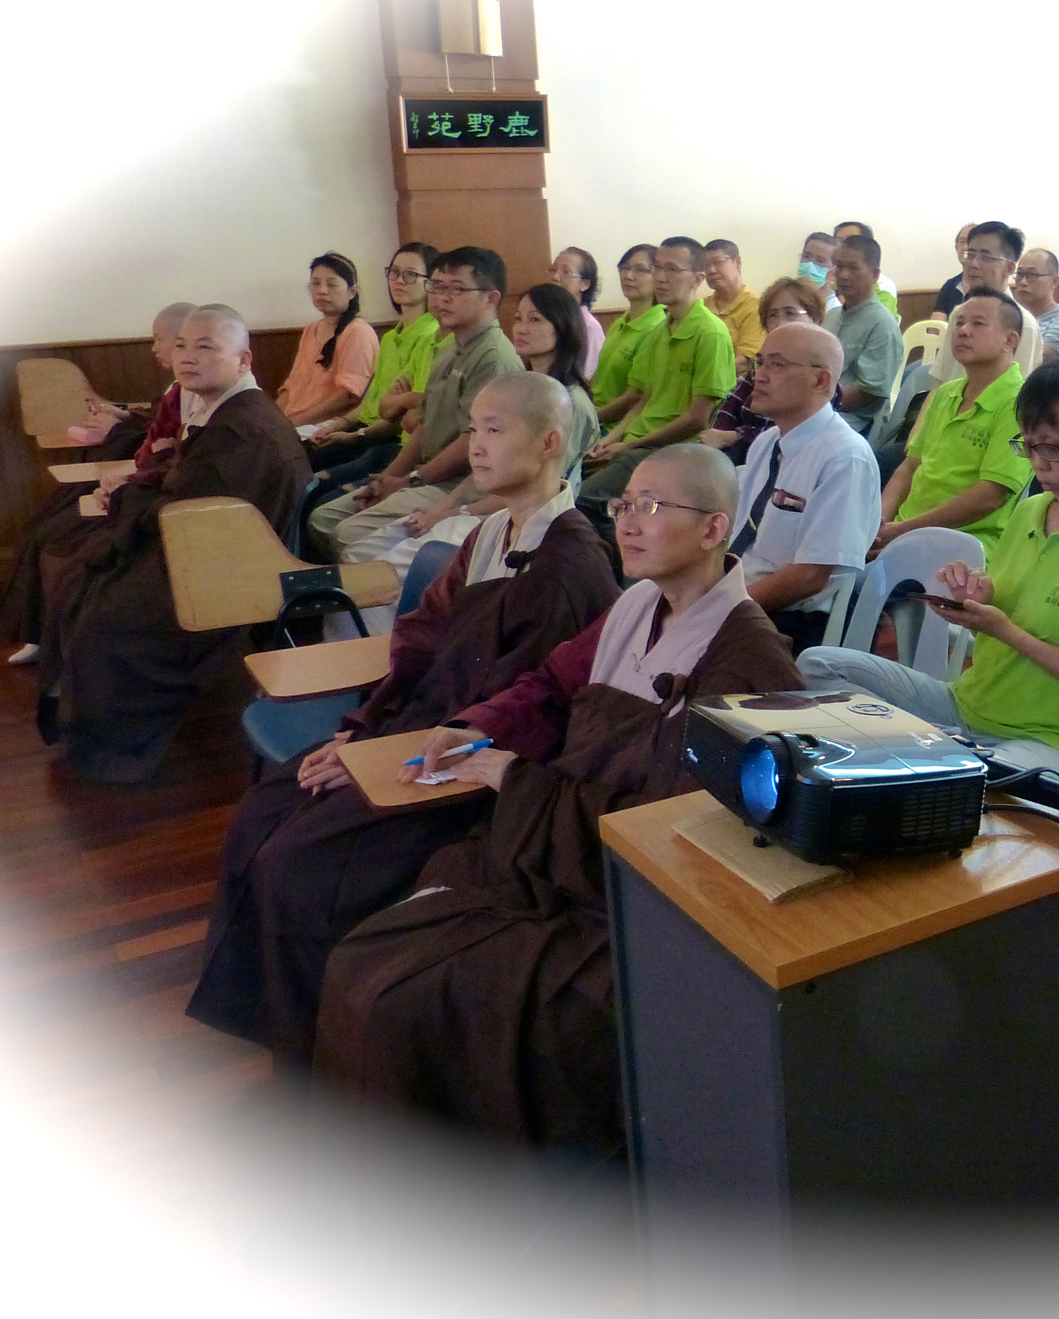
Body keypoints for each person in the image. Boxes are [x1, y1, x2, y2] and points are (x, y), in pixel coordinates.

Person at [314, 445, 803, 1153]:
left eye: (652, 507)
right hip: (548, 851)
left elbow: (684, 839)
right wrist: (475, 729)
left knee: (399, 999)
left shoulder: (752, 663)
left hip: (618, 906)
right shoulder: (634, 605)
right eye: (624, 504)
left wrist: (518, 782)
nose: (627, 522)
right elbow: (547, 687)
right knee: (366, 957)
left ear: (713, 529)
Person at [185, 372, 620, 1063]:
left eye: (495, 429)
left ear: (549, 443)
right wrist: (362, 727)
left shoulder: (572, 564)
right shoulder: (488, 533)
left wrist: (381, 756)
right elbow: (418, 642)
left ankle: (319, 1044)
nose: (475, 445)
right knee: (267, 810)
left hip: (464, 772)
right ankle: (269, 1010)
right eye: (472, 428)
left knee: (302, 865)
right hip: (412, 729)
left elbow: (529, 715)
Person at [802, 358, 1059, 779]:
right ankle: (925, 763)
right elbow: (1012, 599)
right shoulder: (1033, 510)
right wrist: (979, 595)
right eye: (1028, 446)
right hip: (964, 708)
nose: (1038, 463)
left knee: (984, 780)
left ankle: (931, 766)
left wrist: (1006, 631)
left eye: (1051, 448)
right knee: (819, 664)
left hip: (1049, 739)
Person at [37, 305, 310, 782]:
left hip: (221, 565)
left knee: (105, 612)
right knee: (84, 576)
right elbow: (187, 485)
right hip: (202, 545)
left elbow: (192, 508)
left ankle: (115, 753)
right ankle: (86, 728)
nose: (187, 357)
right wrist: (133, 490)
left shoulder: (243, 429)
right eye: (181, 345)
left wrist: (127, 499)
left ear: (243, 360)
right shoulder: (228, 413)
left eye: (205, 347)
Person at [340, 284, 601, 566]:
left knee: (377, 565)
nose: (521, 328)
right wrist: (442, 509)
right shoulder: (512, 390)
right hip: (472, 504)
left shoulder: (569, 403)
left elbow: (536, 490)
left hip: (507, 517)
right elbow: (480, 465)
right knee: (357, 549)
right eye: (518, 318)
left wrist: (452, 514)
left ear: (564, 328)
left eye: (535, 319)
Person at [3, 303, 195, 667]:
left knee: (61, 540)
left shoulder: (210, 402)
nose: (155, 348)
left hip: (152, 498)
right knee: (42, 529)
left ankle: (53, 642)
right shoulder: (179, 389)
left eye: (161, 339)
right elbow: (156, 428)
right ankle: (38, 634)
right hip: (137, 483)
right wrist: (120, 417)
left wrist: (120, 436)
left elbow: (168, 450)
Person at [309, 247, 523, 560]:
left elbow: (471, 440)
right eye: (437, 287)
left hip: (459, 486)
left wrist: (411, 481)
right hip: (425, 475)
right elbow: (424, 424)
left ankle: (377, 590)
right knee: (321, 519)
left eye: (456, 289)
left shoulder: (494, 358)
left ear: (490, 298)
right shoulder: (448, 349)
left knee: (347, 536)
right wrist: (390, 478)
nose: (442, 298)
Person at [731, 323, 882, 653]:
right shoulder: (767, 442)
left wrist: (723, 609)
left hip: (793, 619)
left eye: (777, 364)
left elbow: (811, 576)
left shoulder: (844, 456)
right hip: (740, 595)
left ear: (821, 380)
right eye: (760, 362)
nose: (759, 376)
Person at [576, 236, 735, 537]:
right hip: (637, 443)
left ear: (697, 278)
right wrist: (612, 440)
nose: (661, 278)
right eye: (658, 268)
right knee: (564, 480)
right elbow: (643, 399)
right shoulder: (658, 330)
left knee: (584, 502)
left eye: (672, 270)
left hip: (671, 451)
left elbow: (697, 419)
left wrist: (629, 446)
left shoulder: (710, 332)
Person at [877, 289, 1034, 554]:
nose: (963, 331)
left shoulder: (1021, 404)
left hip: (965, 546)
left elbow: (990, 497)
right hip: (905, 535)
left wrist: (901, 531)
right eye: (959, 323)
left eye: (978, 323)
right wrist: (879, 525)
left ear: (1010, 340)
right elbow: (909, 467)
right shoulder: (945, 393)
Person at [302, 243, 445, 525]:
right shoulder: (391, 337)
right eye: (394, 273)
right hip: (368, 431)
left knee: (316, 492)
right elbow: (376, 403)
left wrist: (359, 434)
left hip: (390, 441)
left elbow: (403, 415)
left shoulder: (432, 335)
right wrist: (340, 424)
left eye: (411, 275)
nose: (399, 281)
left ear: (431, 283)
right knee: (298, 467)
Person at [701, 277, 825, 465]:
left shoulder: (816, 372)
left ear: (814, 319)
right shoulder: (762, 361)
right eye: (772, 315)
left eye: (790, 313)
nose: (779, 322)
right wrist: (717, 438)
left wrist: (734, 437)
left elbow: (791, 432)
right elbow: (730, 407)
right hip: (736, 458)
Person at [927, 222, 1043, 388]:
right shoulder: (959, 313)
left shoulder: (1023, 323)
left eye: (986, 257)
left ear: (1009, 268)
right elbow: (941, 379)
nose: (973, 264)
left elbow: (1020, 392)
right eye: (970, 254)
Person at [817, 232, 906, 442]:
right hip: (819, 411)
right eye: (840, 266)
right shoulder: (831, 316)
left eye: (853, 268)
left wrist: (813, 402)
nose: (843, 275)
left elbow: (869, 393)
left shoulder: (882, 324)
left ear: (874, 275)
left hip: (853, 424)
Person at [273, 252, 379, 428]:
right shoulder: (311, 330)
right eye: (316, 283)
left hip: (328, 426)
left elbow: (348, 396)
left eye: (331, 284)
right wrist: (271, 420)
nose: (322, 291)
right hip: (294, 422)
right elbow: (291, 387)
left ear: (351, 292)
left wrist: (292, 425)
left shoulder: (358, 331)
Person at [590, 245, 664, 409]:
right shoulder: (620, 323)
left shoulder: (656, 328)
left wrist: (592, 418)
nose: (628, 276)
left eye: (640, 270)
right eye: (625, 268)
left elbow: (635, 397)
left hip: (614, 420)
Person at [701, 238, 763, 376]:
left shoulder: (756, 307)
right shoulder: (701, 306)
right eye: (706, 265)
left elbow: (744, 363)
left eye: (718, 262)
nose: (711, 270)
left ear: (738, 263)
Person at [547, 247, 605, 378]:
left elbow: (589, 376)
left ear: (584, 284)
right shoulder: (547, 319)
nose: (555, 277)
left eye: (566, 272)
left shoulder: (589, 327)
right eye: (553, 269)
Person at [1011, 248, 1059, 353]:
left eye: (1032, 275)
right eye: (1019, 274)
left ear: (1054, 281)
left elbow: (1037, 358)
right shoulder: (1010, 315)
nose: (1023, 282)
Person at [832, 220, 899, 314]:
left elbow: (872, 317)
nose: (844, 245)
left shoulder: (884, 285)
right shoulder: (829, 277)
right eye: (839, 241)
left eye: (851, 239)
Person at [929, 223, 977, 319]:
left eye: (971, 241)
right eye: (962, 242)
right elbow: (936, 325)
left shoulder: (991, 285)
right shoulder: (950, 286)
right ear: (956, 248)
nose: (966, 247)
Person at [797, 231, 838, 303]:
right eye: (806, 256)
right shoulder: (785, 299)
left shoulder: (835, 309)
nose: (810, 264)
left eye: (820, 261)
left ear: (834, 273)